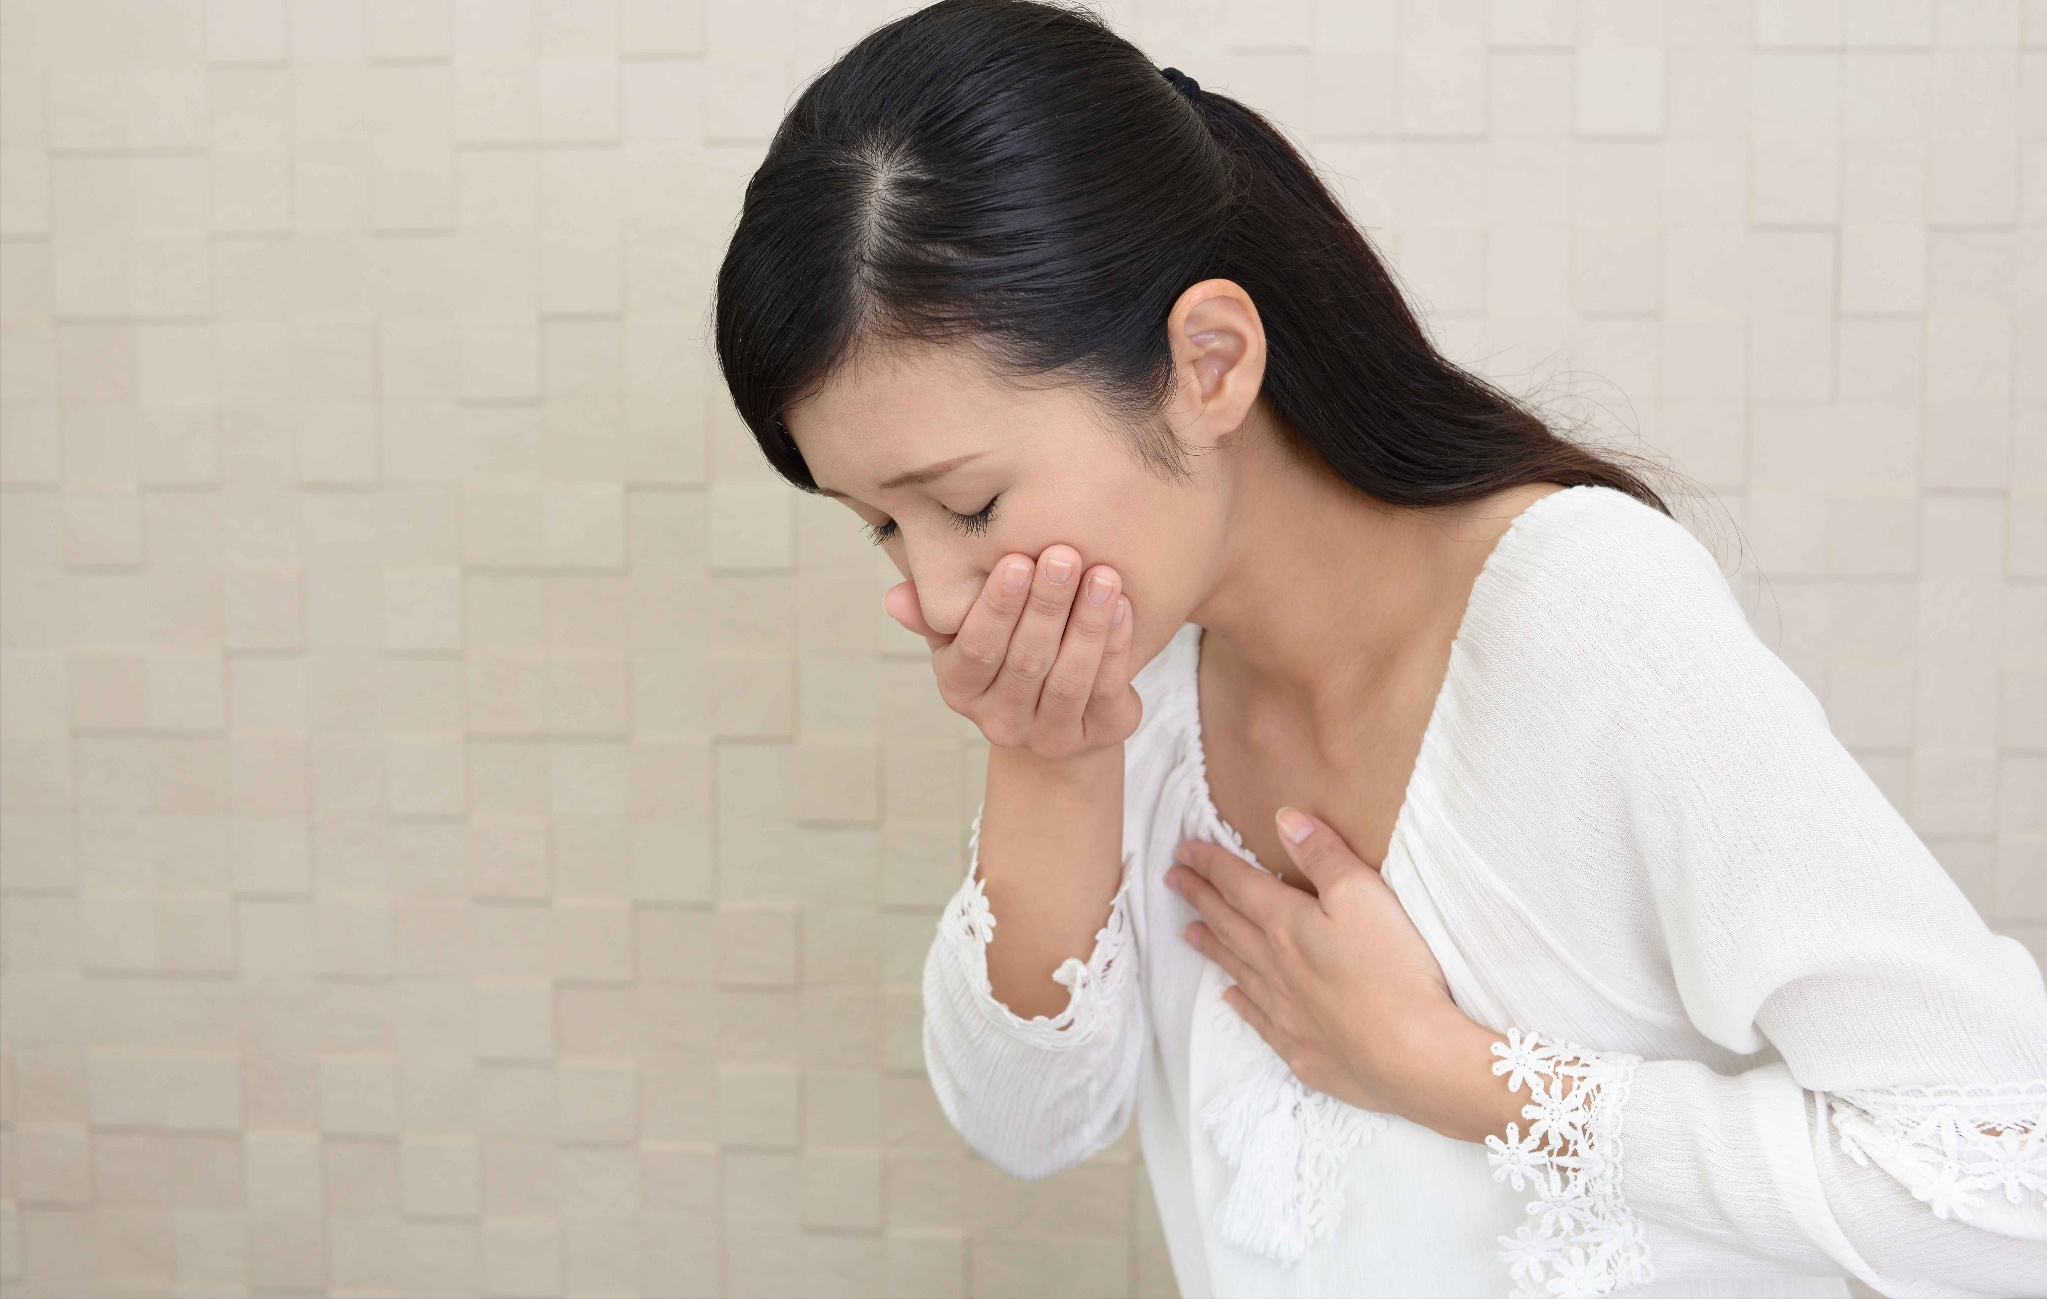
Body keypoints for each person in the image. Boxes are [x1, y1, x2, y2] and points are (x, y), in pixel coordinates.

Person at [711, 2, 2047, 1296]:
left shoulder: (1583, 615)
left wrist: (1441, 1071)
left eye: (968, 506)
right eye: (879, 527)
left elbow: (2006, 1180)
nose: (939, 596)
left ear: (1210, 361)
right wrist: (1048, 760)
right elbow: (1026, 1124)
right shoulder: (1144, 681)